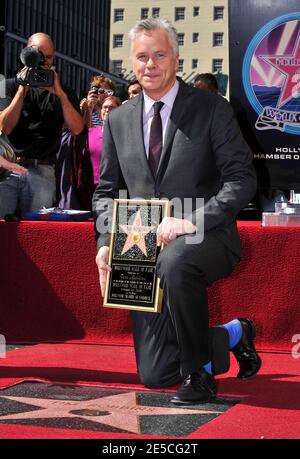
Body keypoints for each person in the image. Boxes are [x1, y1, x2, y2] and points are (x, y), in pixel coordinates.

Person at [92, 18, 261, 405]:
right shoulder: (117, 119)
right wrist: (106, 239)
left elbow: (242, 180)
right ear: (132, 63)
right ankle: (232, 335)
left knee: (176, 259)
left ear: (176, 58)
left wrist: (193, 221)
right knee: (155, 375)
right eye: (142, 56)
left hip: (207, 236)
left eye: (159, 55)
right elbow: (106, 191)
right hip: (140, 250)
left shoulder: (212, 109)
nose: (150, 64)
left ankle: (199, 374)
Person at [0, 32, 83, 219]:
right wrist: (23, 89)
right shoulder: (9, 86)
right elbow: (4, 127)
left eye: (49, 57)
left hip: (43, 172)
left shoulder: (64, 91)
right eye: (39, 55)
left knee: (37, 234)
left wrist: (60, 94)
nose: (44, 61)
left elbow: (77, 129)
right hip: (8, 169)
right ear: (27, 55)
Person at [88, 95, 121, 186]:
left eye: (112, 108)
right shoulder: (90, 133)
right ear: (100, 111)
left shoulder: (125, 137)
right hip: (90, 188)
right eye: (105, 107)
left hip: (116, 189)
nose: (107, 110)